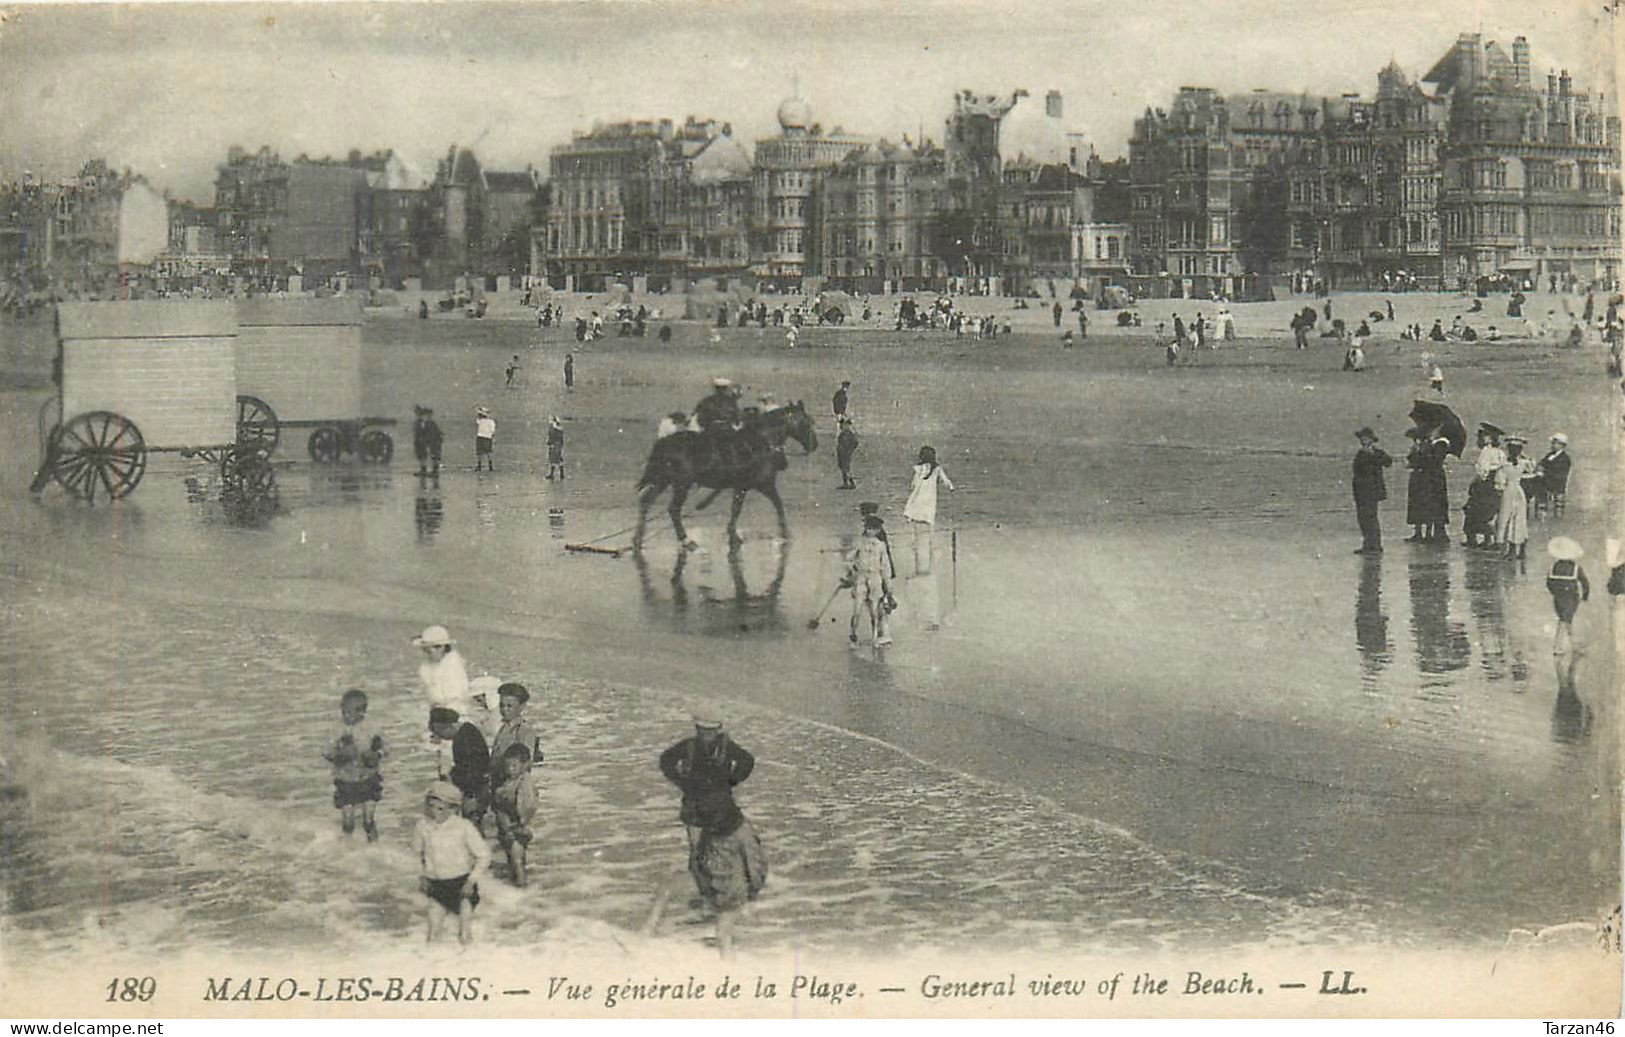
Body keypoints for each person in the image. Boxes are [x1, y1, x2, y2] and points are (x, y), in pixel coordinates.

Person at [652, 717, 767, 959]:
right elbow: (666, 761)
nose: (706, 735)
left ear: (718, 730)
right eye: (703, 731)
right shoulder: (689, 746)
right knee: (699, 856)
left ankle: (708, 899)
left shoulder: (726, 747)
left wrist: (731, 780)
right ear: (697, 730)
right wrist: (681, 781)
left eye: (710, 731)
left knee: (708, 857)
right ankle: (707, 898)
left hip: (715, 810)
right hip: (697, 810)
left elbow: (747, 762)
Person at [412, 781, 490, 946]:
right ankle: (432, 965)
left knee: (464, 935)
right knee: (432, 936)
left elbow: (484, 855)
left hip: (462, 885)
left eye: (440, 809)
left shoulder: (463, 827)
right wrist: (422, 877)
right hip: (437, 884)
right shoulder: (422, 826)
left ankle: (472, 962)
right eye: (431, 807)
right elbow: (417, 854)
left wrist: (471, 881)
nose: (434, 813)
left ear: (453, 809)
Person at [323, 689, 386, 842]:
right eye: (343, 712)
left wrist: (377, 755)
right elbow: (327, 752)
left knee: (368, 821)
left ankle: (375, 847)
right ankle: (347, 849)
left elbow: (385, 748)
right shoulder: (337, 729)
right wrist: (340, 755)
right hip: (346, 780)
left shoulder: (371, 729)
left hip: (368, 778)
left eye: (350, 713)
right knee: (348, 822)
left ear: (362, 713)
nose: (346, 716)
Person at [428, 706, 491, 822]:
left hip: (474, 791)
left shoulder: (464, 738)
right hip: (475, 788)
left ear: (447, 727)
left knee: (472, 824)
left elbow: (472, 769)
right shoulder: (465, 733)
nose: (443, 738)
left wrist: (469, 795)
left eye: (441, 734)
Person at [490, 744, 539, 887]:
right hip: (508, 825)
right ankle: (516, 883)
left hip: (517, 826)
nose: (510, 769)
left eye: (514, 766)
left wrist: (521, 823)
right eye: (507, 766)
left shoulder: (525, 782)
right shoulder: (509, 781)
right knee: (513, 857)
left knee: (516, 858)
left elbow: (528, 805)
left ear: (525, 765)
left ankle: (521, 886)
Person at [844, 514, 895, 646]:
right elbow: (849, 559)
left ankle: (875, 638)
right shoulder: (859, 543)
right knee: (857, 609)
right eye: (869, 528)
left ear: (878, 530)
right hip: (861, 577)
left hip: (875, 578)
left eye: (874, 529)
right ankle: (853, 634)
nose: (871, 531)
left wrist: (889, 589)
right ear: (866, 529)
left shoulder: (881, 545)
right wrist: (851, 571)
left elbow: (885, 567)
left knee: (874, 611)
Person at [1404, 426, 1450, 543]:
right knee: (1420, 505)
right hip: (1424, 478)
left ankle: (1430, 534)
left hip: (1432, 479)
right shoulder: (1426, 445)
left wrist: (1418, 456)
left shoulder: (1440, 444)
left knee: (1430, 505)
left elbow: (1432, 461)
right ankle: (1419, 533)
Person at [1463, 423, 1506, 549]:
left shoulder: (1486, 452)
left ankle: (1475, 539)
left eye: (1482, 437)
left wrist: (1476, 482)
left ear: (1489, 438)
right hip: (1495, 483)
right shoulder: (1500, 452)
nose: (1479, 440)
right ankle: (1488, 539)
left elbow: (1483, 471)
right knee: (1489, 511)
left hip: (1485, 484)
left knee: (1476, 510)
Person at [1351, 426, 1392, 555]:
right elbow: (1357, 469)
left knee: (1370, 517)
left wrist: (1373, 455)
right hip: (1361, 490)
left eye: (1366, 438)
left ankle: (1374, 545)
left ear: (1371, 440)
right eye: (1362, 438)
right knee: (1363, 518)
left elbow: (1388, 462)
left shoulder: (1376, 452)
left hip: (1371, 490)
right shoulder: (1361, 453)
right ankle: (1368, 544)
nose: (1363, 440)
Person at [1546, 537, 1590, 655]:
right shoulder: (1575, 567)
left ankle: (1573, 644)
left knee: (1566, 619)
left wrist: (1555, 592)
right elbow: (1585, 583)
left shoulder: (1553, 567)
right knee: (1564, 620)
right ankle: (1557, 645)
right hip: (1571, 597)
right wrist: (1585, 596)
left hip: (1558, 598)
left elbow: (1549, 583)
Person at [413, 625, 471, 714]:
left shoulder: (453, 665)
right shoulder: (426, 665)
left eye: (437, 647)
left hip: (454, 711)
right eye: (427, 649)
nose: (432, 651)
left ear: (445, 648)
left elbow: (455, 697)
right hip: (435, 709)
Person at [1496, 435, 1536, 560]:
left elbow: (1499, 482)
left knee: (1509, 519)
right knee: (1517, 519)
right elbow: (1531, 474)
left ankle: (1513, 550)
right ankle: (1520, 549)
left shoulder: (1506, 464)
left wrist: (1499, 490)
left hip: (1510, 492)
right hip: (1517, 492)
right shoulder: (1521, 463)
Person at [903, 446, 954, 529]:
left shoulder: (919, 467)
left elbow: (915, 479)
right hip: (930, 490)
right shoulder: (936, 468)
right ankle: (928, 519)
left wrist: (913, 485)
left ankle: (912, 516)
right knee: (929, 504)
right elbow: (944, 478)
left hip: (920, 489)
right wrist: (950, 486)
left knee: (916, 502)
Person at [1534, 433, 1572, 516]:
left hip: (1557, 485)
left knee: (1557, 506)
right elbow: (1542, 463)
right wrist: (1539, 468)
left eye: (1555, 443)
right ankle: (1542, 515)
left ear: (1561, 445)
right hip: (1546, 483)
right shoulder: (1550, 455)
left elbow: (1560, 473)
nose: (1552, 445)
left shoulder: (1564, 458)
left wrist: (1544, 473)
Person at [412, 405, 443, 477]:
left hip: (432, 441)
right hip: (422, 442)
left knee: (434, 455)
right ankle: (424, 469)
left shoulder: (430, 424)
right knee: (422, 455)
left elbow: (434, 434)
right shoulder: (419, 423)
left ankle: (434, 470)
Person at [835, 416, 858, 489]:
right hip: (842, 453)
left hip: (845, 453)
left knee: (845, 468)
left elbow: (855, 443)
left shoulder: (848, 434)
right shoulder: (845, 433)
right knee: (843, 468)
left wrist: (849, 450)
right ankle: (847, 483)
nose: (842, 426)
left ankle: (850, 483)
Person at [474, 406, 496, 472]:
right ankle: (490, 466)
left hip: (481, 437)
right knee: (488, 452)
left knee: (480, 452)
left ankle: (479, 466)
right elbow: (493, 431)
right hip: (487, 437)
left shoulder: (481, 421)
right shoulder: (490, 421)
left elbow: (478, 419)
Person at [546, 416, 565, 480]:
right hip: (558, 446)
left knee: (554, 458)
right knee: (557, 459)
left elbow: (551, 438)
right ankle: (560, 474)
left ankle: (554, 474)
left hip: (555, 445)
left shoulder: (554, 430)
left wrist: (549, 443)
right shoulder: (559, 430)